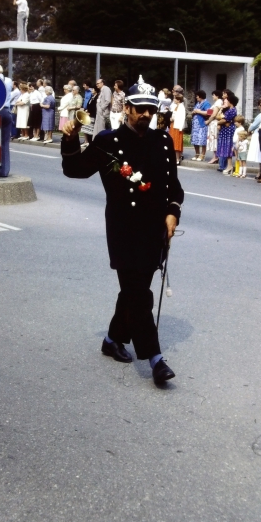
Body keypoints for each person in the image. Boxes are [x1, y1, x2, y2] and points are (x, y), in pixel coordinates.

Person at [60, 77, 184, 385]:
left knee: (133, 291)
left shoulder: (163, 141)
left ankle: (113, 339)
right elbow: (75, 169)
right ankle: (155, 359)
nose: (145, 114)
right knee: (140, 294)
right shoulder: (107, 141)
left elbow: (174, 188)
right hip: (123, 229)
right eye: (139, 108)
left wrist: (172, 213)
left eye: (150, 110)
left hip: (154, 230)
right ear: (126, 108)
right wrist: (70, 138)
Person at [216, 93, 237, 174]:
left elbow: (225, 120)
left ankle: (230, 166)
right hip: (225, 130)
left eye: (227, 100)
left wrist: (219, 123)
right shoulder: (228, 109)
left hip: (228, 131)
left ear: (230, 101)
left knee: (228, 147)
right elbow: (221, 118)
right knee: (226, 147)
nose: (226, 102)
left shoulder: (232, 110)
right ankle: (229, 166)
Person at [191, 89, 211, 161]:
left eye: (197, 96)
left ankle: (202, 155)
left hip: (202, 124)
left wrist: (198, 111)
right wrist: (193, 112)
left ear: (200, 96)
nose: (196, 97)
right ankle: (197, 154)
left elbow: (209, 113)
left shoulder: (206, 103)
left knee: (202, 140)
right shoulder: (198, 103)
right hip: (196, 125)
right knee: (195, 139)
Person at [205, 89, 223, 164]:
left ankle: (215, 157)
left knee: (214, 139)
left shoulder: (218, 103)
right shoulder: (217, 102)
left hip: (214, 122)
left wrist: (208, 121)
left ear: (217, 95)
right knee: (214, 139)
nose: (212, 96)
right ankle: (215, 156)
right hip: (213, 122)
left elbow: (214, 114)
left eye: (213, 95)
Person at [170, 93, 186, 164]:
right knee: (173, 142)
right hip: (174, 125)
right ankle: (176, 158)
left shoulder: (181, 107)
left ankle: (177, 159)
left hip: (177, 126)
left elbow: (181, 117)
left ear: (178, 100)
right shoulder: (177, 106)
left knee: (176, 143)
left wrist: (173, 119)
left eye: (175, 99)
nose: (174, 100)